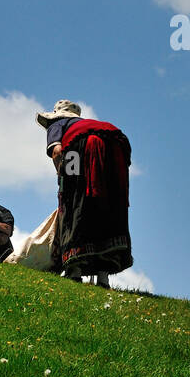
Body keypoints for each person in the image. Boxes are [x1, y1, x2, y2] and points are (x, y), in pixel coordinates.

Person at [36, 99, 133, 288]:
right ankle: (103, 277)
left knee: (74, 201)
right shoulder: (92, 125)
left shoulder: (58, 124)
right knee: (106, 205)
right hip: (115, 151)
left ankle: (74, 272)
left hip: (79, 148)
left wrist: (61, 176)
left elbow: (57, 151)